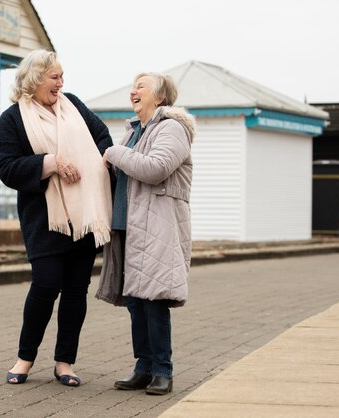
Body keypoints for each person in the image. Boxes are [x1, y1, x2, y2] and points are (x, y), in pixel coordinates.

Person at [0, 50, 113, 387]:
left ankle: (65, 362)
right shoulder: (12, 118)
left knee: (76, 291)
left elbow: (101, 136)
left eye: (62, 76)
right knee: (45, 285)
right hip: (45, 219)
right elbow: (7, 167)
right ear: (34, 79)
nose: (61, 83)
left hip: (85, 216)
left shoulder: (73, 104)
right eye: (55, 77)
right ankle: (25, 358)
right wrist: (50, 162)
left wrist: (99, 162)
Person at [99, 72, 194, 395]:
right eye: (133, 86)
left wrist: (113, 153)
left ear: (161, 97)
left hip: (157, 227)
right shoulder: (133, 131)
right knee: (136, 303)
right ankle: (143, 366)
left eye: (141, 86)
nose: (133, 91)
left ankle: (163, 371)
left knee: (155, 300)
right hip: (128, 226)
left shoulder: (172, 128)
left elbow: (155, 169)